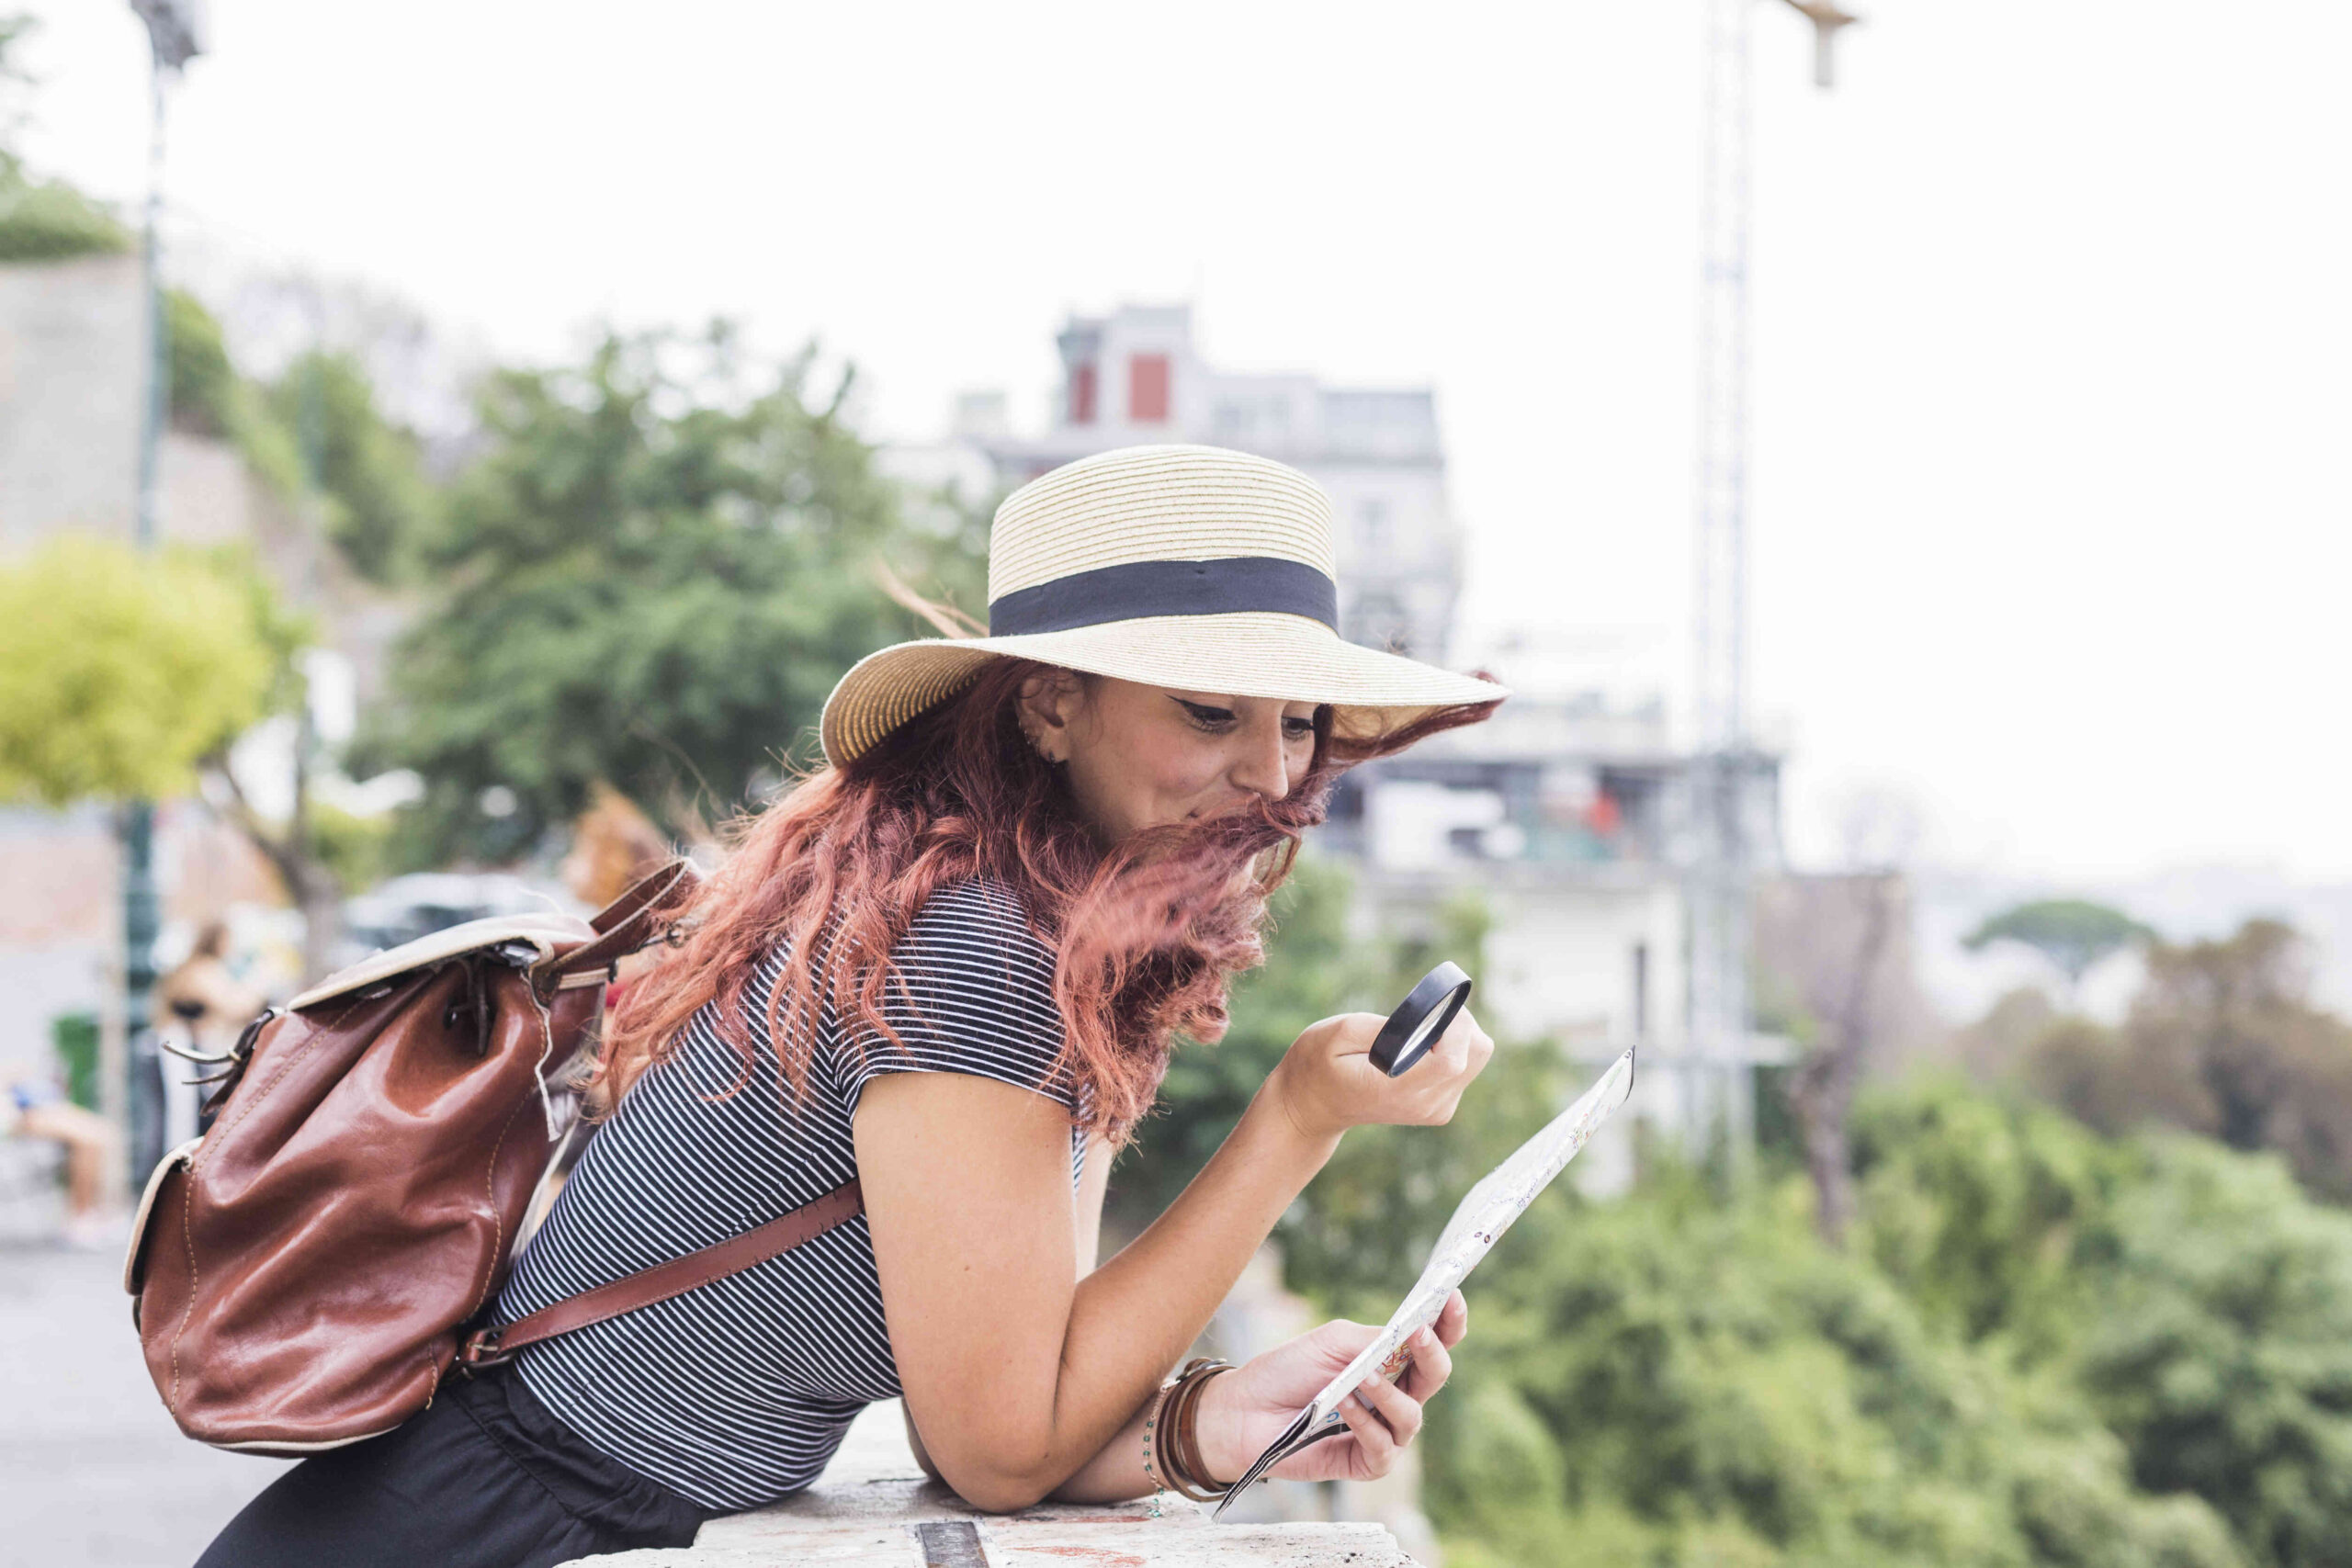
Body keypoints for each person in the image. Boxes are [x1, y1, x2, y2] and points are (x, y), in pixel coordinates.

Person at [198, 444, 1510, 1567]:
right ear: (1052, 706)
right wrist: (1294, 1117)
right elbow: (998, 1452)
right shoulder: (978, 946)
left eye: (1300, 727)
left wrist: (1209, 1421)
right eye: (1213, 710)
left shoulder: (1011, 917)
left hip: (501, 1512)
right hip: (502, 1534)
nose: (1268, 776)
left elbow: (1017, 1384)